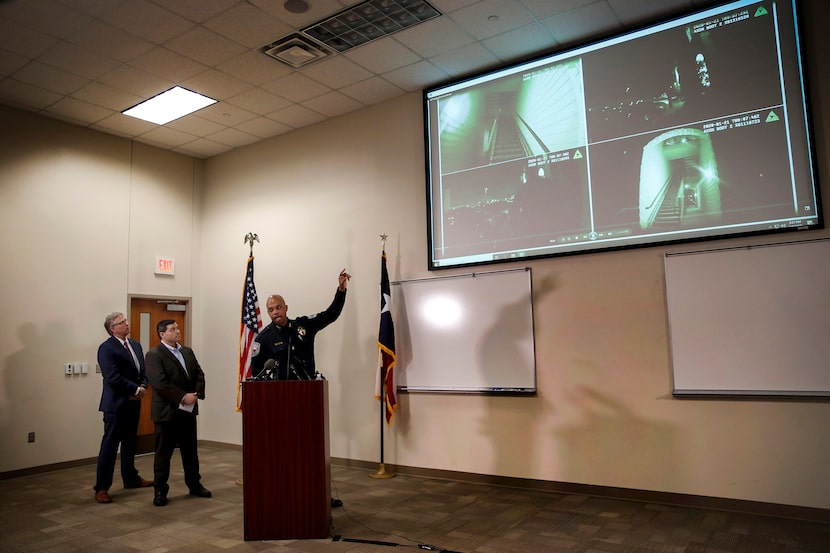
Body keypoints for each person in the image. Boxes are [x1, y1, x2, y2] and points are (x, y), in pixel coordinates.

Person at [144, 319, 210, 507]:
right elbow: (159, 382)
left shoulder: (187, 351)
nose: (177, 331)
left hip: (188, 412)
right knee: (163, 454)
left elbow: (199, 374)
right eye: (172, 329)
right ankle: (160, 491)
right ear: (162, 334)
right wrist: (182, 397)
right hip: (167, 412)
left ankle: (194, 485)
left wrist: (195, 394)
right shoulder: (154, 354)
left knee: (190, 452)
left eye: (177, 328)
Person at [93, 312, 153, 504]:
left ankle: (130, 478)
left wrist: (143, 386)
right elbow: (112, 376)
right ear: (113, 328)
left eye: (126, 321)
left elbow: (142, 371)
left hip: (134, 403)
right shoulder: (106, 348)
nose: (127, 324)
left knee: (130, 444)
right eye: (122, 322)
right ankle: (102, 487)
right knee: (110, 446)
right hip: (115, 405)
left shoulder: (135, 345)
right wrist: (135, 388)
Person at [251, 269, 351, 382]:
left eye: (278, 307)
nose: (275, 312)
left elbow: (330, 315)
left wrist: (341, 291)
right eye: (271, 310)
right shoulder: (264, 338)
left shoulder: (303, 325)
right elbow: (257, 374)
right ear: (268, 313)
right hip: (280, 392)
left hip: (308, 388)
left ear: (286, 308)